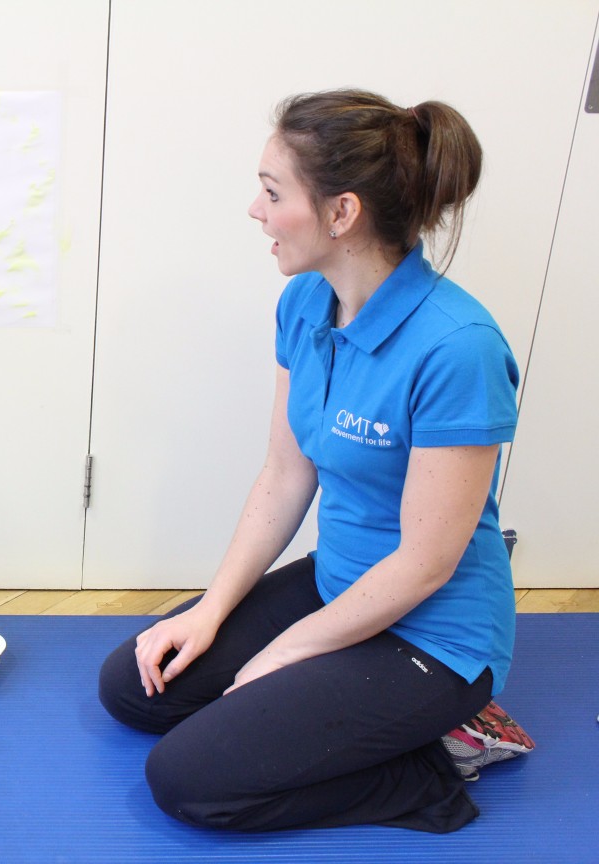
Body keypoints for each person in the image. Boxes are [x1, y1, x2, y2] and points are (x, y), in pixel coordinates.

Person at [99, 89, 524, 832]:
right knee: (135, 688)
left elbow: (425, 564)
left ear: (341, 214)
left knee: (188, 780)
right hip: (342, 587)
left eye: (272, 193)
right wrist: (212, 610)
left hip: (435, 637)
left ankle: (438, 764)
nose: (254, 212)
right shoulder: (306, 305)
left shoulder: (459, 348)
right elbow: (285, 475)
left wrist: (283, 654)